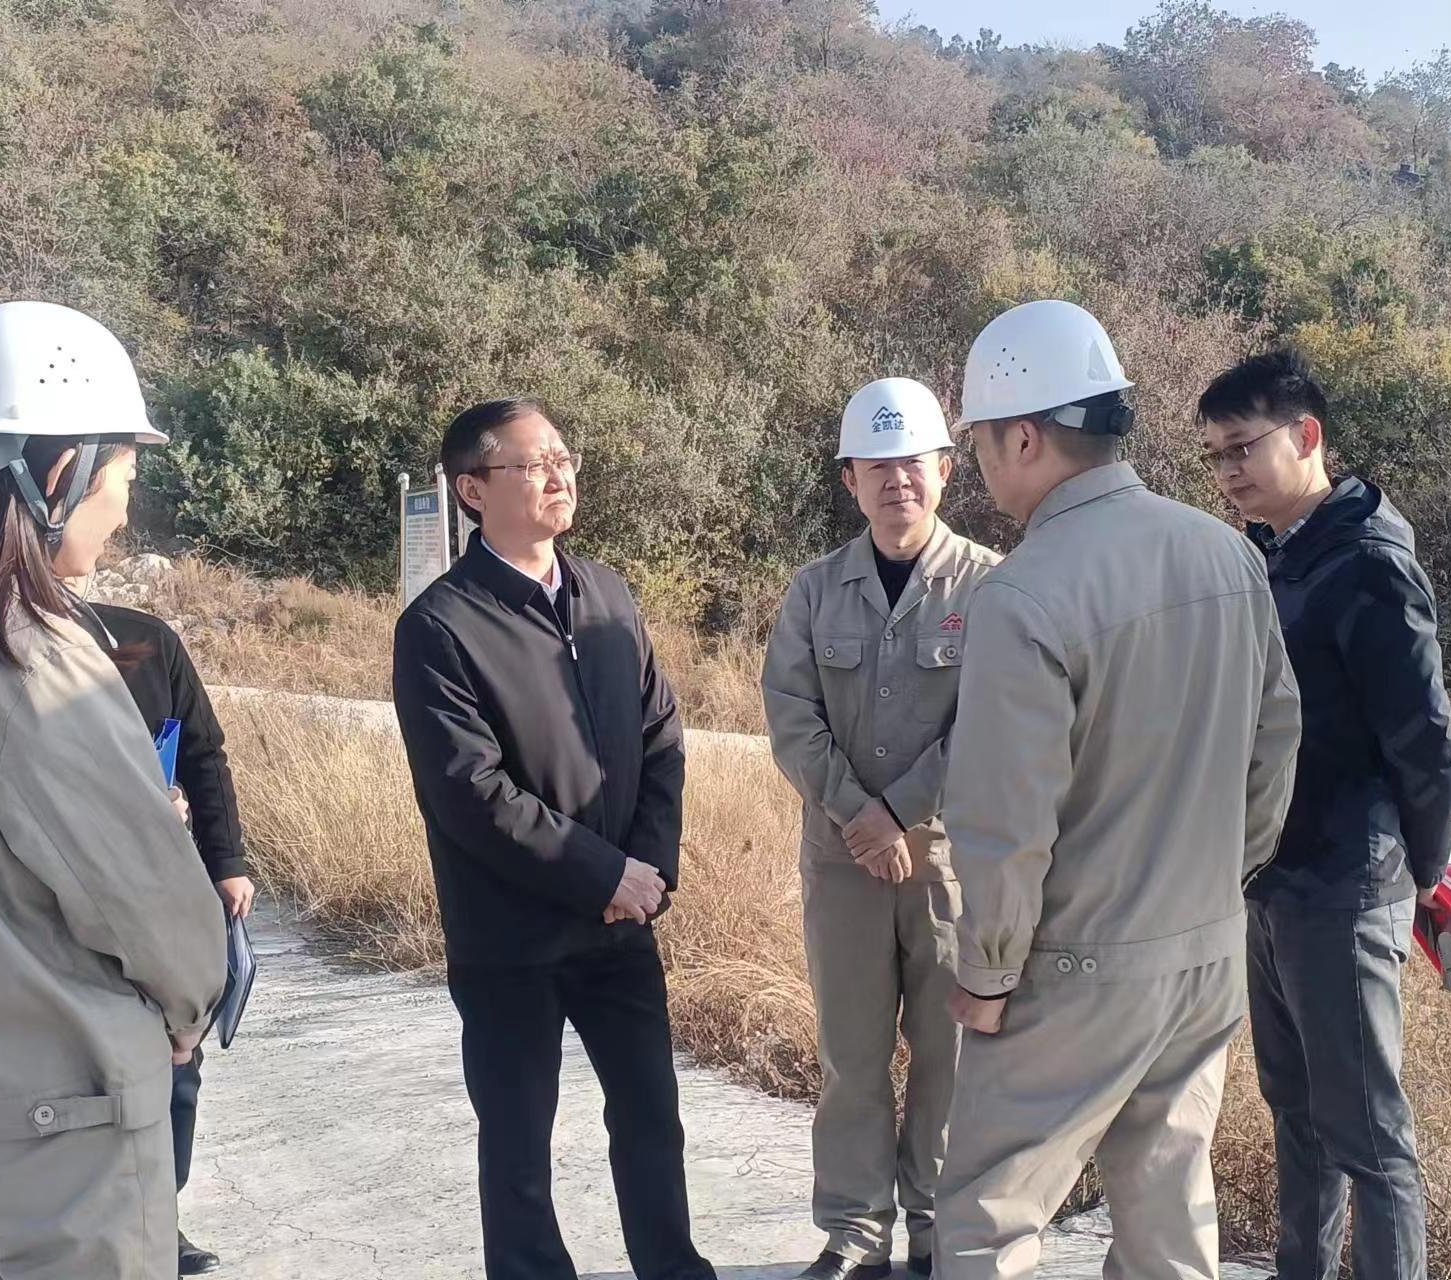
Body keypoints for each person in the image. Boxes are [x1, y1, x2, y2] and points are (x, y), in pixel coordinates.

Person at [933, 300, 1302, 1280]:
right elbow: (1276, 738)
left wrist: (986, 971)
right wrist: (1221, 878)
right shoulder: (1226, 551)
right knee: (1167, 1223)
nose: (977, 459)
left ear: (1021, 436)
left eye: (978, 439)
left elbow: (1002, 821)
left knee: (986, 1219)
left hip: (1074, 967)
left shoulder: (1023, 591)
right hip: (1204, 953)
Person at [0, 300, 227, 1280]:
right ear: (60, 469)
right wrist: (190, 1003)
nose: (124, 511)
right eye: (124, 477)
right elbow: (144, 894)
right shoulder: (27, 648)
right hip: (67, 1113)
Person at [392, 398, 715, 1280]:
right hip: (511, 937)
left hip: (620, 924)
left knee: (651, 1118)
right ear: (472, 490)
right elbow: (470, 793)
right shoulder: (440, 627)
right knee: (518, 1142)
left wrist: (646, 871)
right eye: (533, 464)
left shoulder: (606, 594)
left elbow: (661, 736)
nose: (559, 476)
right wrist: (601, 874)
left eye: (565, 458)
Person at [1198, 348, 1451, 1280]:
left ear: (1305, 435)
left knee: (1369, 1136)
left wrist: (1424, 876)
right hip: (1274, 877)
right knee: (1297, 1115)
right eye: (1214, 455)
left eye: (1242, 447)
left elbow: (1425, 740)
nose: (1228, 471)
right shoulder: (1277, 553)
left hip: (1347, 882)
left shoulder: (1368, 564)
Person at [762, 378, 1001, 1280]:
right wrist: (860, 815)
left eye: (913, 464)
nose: (896, 481)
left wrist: (900, 810)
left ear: (945, 470)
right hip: (843, 861)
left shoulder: (990, 587)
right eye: (876, 466)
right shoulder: (816, 589)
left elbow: (992, 720)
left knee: (948, 1053)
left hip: (948, 864)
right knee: (851, 1056)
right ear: (850, 479)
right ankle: (856, 1234)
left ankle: (937, 1226)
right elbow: (790, 714)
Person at [76, 592, 254, 1277]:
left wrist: (227, 862)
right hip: (60, 900)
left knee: (178, 1063)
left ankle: (159, 1219)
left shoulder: (146, 639)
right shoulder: (2, 647)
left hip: (160, 891)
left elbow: (204, 753)